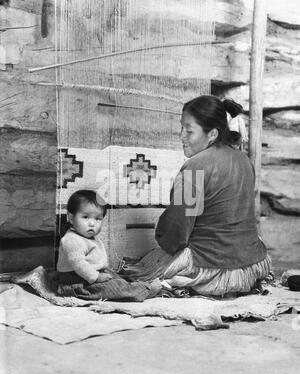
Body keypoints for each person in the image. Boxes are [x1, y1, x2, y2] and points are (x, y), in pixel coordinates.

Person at [124, 95, 271, 298]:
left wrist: (166, 246)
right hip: (251, 264)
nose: (181, 135)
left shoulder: (195, 167)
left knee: (136, 272)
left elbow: (176, 230)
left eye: (189, 130)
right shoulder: (244, 161)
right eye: (181, 128)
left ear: (212, 134)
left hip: (213, 269)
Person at [57, 190, 161, 301]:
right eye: (85, 217)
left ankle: (136, 286)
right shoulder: (72, 240)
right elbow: (78, 264)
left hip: (90, 275)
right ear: (71, 218)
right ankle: (144, 291)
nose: (92, 223)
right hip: (77, 279)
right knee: (113, 289)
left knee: (119, 279)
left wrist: (104, 273)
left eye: (97, 219)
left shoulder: (89, 238)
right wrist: (96, 277)